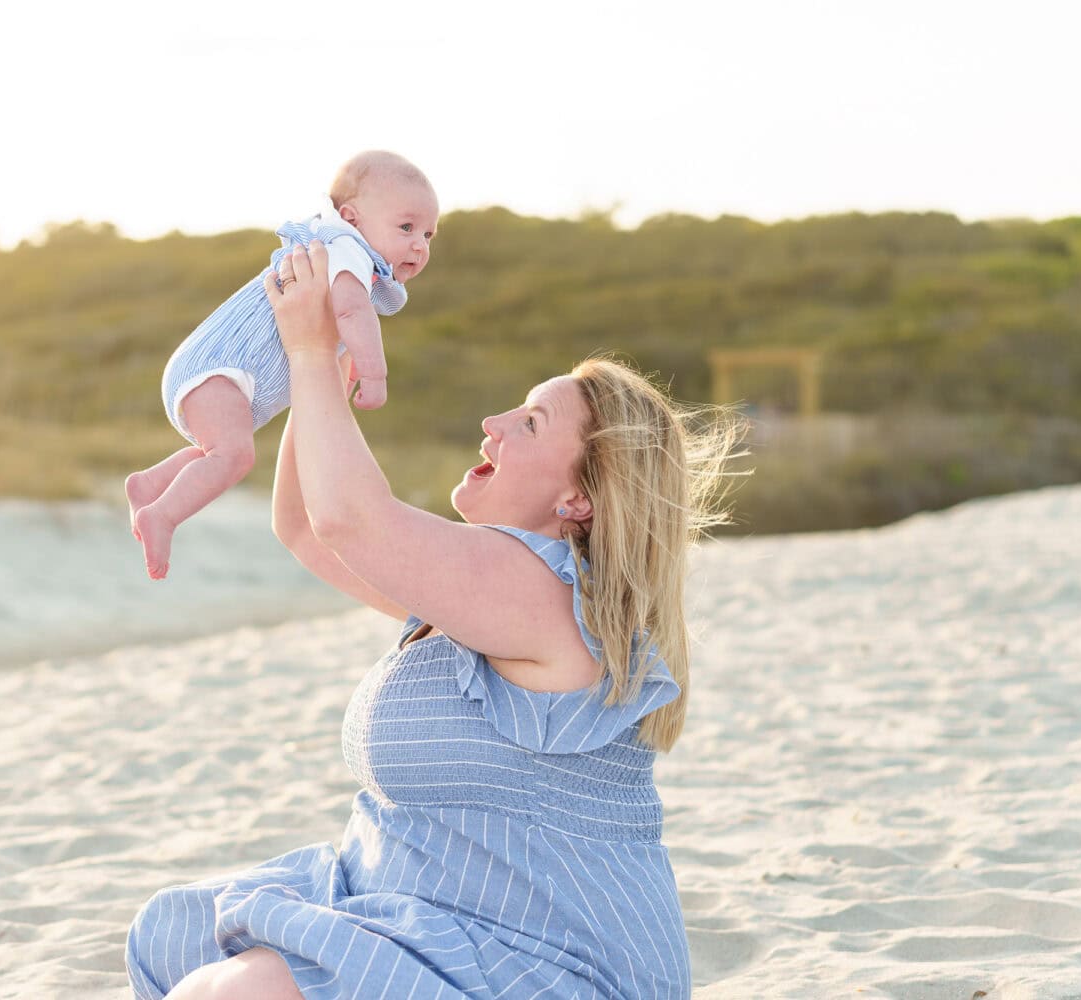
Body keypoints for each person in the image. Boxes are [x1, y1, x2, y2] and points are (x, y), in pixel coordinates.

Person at [125, 241, 738, 999]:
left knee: (226, 992)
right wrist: (322, 378)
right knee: (191, 953)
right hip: (438, 922)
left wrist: (312, 349)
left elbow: (351, 519)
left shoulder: (541, 597)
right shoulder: (481, 595)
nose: (494, 421)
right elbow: (310, 528)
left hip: (546, 963)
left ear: (578, 500)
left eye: (532, 424)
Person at [125, 150, 438, 580]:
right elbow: (351, 313)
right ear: (353, 217)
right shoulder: (347, 248)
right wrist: (374, 373)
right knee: (232, 457)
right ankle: (162, 515)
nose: (419, 245)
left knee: (213, 453)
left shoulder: (335, 246)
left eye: (428, 234)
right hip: (222, 369)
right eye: (406, 227)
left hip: (215, 375)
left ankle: (149, 485)